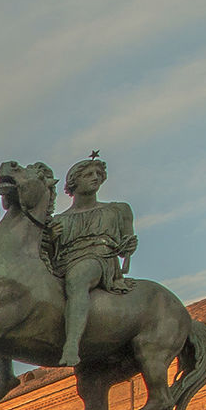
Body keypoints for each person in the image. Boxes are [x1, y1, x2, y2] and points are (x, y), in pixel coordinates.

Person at [48, 153, 137, 369]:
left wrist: (129, 246)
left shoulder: (117, 210)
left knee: (78, 278)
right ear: (73, 182)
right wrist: (50, 238)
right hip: (64, 263)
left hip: (98, 258)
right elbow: (48, 254)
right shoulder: (57, 220)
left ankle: (71, 345)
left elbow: (127, 245)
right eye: (88, 174)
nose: (95, 177)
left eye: (99, 174)